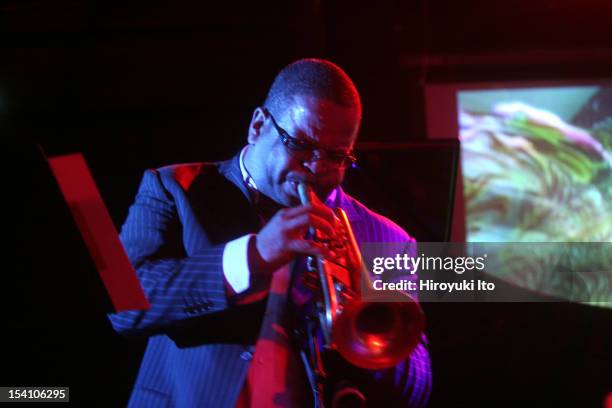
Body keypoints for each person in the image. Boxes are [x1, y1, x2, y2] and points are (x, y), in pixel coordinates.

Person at [109, 58, 431, 407]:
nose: (316, 168)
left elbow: (417, 389)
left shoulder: (388, 239)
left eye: (336, 156)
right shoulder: (175, 187)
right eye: (300, 145)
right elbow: (123, 307)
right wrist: (253, 256)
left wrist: (359, 326)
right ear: (258, 125)